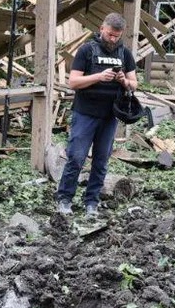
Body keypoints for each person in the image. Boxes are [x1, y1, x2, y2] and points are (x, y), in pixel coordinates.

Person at [56, 12, 138, 216]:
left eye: (116, 36)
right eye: (110, 34)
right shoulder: (87, 50)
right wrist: (99, 76)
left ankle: (91, 201)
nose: (113, 39)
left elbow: (134, 84)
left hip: (110, 115)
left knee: (101, 160)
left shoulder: (124, 53)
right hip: (85, 113)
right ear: (102, 28)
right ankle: (65, 199)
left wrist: (122, 81)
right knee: (76, 157)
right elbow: (73, 82)